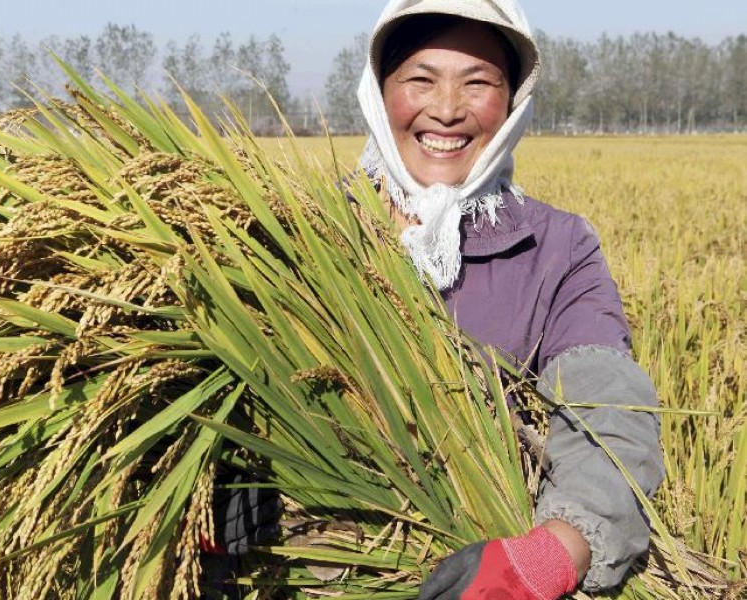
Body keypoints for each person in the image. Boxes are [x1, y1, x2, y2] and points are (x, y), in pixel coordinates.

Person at [210, 1, 665, 598]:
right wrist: (209, 485)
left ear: (511, 105)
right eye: (420, 80)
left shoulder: (557, 249)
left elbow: (610, 415)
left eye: (478, 83)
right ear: (379, 93)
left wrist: (555, 551)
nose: (447, 110)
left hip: (474, 572)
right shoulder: (292, 234)